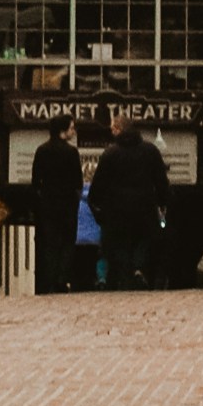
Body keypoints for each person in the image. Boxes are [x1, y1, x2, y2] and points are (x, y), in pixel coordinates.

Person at [89, 118, 168, 288]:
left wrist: (99, 210)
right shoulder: (150, 151)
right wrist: (163, 201)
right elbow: (161, 181)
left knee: (120, 244)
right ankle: (139, 270)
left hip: (117, 210)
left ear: (119, 131)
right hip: (144, 207)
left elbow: (98, 186)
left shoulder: (110, 153)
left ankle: (125, 279)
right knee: (144, 240)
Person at [27, 124, 84, 295]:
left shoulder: (41, 150)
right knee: (67, 242)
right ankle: (62, 278)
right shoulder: (72, 152)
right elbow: (78, 182)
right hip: (67, 204)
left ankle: (49, 280)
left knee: (50, 244)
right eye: (71, 128)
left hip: (48, 204)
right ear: (62, 131)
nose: (73, 132)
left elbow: (35, 180)